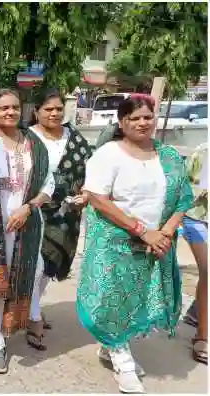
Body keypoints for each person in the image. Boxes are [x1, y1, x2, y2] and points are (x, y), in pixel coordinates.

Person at [77, 95, 192, 393]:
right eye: (135, 118)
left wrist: (164, 233)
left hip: (157, 243)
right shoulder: (108, 154)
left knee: (141, 300)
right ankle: (122, 359)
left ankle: (113, 347)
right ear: (122, 122)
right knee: (116, 301)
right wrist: (142, 231)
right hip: (118, 244)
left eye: (147, 117)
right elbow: (98, 200)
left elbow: (183, 197)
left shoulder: (167, 155)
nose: (143, 122)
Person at [0, 89, 54, 374]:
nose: (10, 112)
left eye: (15, 107)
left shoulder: (34, 144)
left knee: (30, 272)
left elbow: (49, 185)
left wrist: (29, 207)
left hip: (26, 224)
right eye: (3, 108)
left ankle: (9, 327)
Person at [25, 90, 93, 350]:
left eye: (58, 109)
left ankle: (33, 307)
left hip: (66, 213)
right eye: (48, 109)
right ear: (37, 112)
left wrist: (85, 193)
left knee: (50, 266)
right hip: (35, 209)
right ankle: (32, 318)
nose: (54, 113)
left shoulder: (74, 137)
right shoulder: (27, 137)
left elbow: (90, 169)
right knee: (36, 265)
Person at [180, 143, 207, 364]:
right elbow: (185, 187)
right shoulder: (203, 151)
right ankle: (202, 336)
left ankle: (195, 313)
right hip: (198, 218)